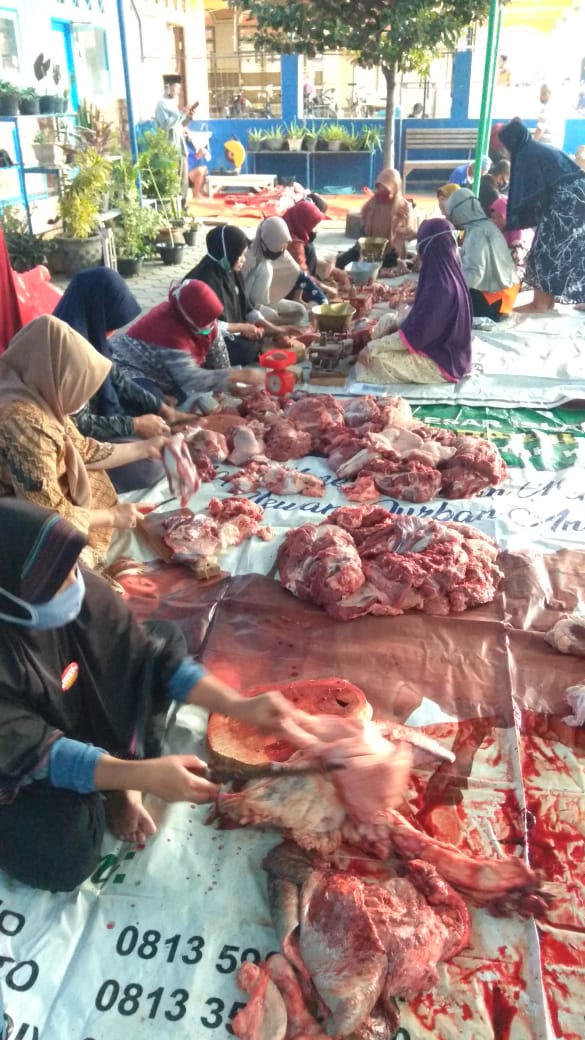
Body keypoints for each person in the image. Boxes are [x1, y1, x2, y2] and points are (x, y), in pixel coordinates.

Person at [0, 499, 317, 891]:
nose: (73, 583)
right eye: (54, 583)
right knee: (66, 854)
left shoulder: (82, 587)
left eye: (72, 565)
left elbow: (147, 658)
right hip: (18, 752)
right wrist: (139, 774)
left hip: (64, 693)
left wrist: (237, 705)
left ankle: (112, 776)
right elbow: (35, 751)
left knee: (166, 641)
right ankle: (103, 780)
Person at [0, 316, 165, 570]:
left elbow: (82, 448)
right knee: (73, 573)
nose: (82, 402)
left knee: (127, 467)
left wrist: (147, 447)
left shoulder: (31, 388)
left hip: (32, 502)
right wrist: (111, 516)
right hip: (17, 519)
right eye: (78, 387)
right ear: (55, 373)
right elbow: (47, 516)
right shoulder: (26, 425)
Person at [53, 269, 191, 493]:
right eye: (112, 322)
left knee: (156, 428)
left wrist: (162, 409)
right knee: (151, 464)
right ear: (98, 310)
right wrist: (134, 425)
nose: (113, 331)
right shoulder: (69, 354)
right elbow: (76, 425)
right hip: (68, 441)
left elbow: (117, 380)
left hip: (96, 419)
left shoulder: (90, 335)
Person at [354, 218, 472, 385]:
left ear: (428, 248)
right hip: (441, 345)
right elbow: (422, 318)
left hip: (442, 361)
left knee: (370, 364)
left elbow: (419, 332)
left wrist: (373, 347)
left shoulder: (441, 287)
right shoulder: (446, 272)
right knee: (388, 321)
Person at [110, 279, 262, 408]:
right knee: (148, 402)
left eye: (213, 320)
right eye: (207, 323)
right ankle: (163, 399)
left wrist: (229, 387)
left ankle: (171, 398)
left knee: (196, 398)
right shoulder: (167, 328)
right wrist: (235, 375)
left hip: (167, 373)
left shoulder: (205, 321)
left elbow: (219, 359)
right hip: (130, 367)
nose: (211, 326)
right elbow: (191, 378)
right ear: (188, 318)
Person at [499, 117, 585, 311]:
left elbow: (528, 196)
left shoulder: (525, 154)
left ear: (512, 142)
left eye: (505, 147)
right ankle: (555, 300)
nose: (504, 152)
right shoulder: (538, 147)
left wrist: (510, 223)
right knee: (573, 248)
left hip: (567, 202)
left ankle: (541, 303)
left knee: (544, 249)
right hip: (579, 198)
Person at [184, 225, 289, 363]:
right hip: (204, 337)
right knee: (244, 350)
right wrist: (242, 328)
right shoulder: (201, 282)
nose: (243, 260)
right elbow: (205, 328)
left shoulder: (230, 269)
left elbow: (246, 308)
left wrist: (275, 329)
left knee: (256, 337)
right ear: (228, 253)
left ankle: (263, 338)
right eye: (241, 255)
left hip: (232, 331)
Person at [444, 187, 519, 320]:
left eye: (450, 215)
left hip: (496, 301)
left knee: (445, 302)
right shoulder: (485, 226)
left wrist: (448, 290)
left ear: (459, 212)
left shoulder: (477, 233)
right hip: (506, 294)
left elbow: (474, 274)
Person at [336, 168, 417, 271]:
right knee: (342, 262)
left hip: (391, 251)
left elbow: (409, 233)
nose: (381, 192)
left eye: (385, 189)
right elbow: (363, 231)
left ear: (394, 188)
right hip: (368, 249)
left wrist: (401, 233)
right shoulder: (371, 204)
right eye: (379, 188)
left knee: (403, 264)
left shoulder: (404, 207)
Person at [240, 216, 306, 324]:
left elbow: (298, 273)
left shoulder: (280, 251)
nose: (280, 252)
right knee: (271, 315)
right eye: (278, 248)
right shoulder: (248, 257)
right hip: (247, 304)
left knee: (300, 311)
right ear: (268, 243)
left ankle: (272, 326)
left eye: (283, 249)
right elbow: (237, 292)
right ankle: (268, 328)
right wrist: (256, 309)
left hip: (267, 300)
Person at [155, 74, 199, 206]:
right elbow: (166, 124)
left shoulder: (172, 104)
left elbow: (179, 125)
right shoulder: (161, 104)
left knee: (183, 181)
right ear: (168, 87)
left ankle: (182, 208)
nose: (178, 91)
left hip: (180, 148)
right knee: (173, 181)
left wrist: (188, 117)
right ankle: (173, 209)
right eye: (176, 88)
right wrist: (182, 113)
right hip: (170, 149)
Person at [488, 195, 533, 278]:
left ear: (507, 216)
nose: (495, 221)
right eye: (493, 218)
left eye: (499, 217)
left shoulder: (518, 231)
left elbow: (518, 257)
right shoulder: (496, 232)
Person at [534, 84, 565, 150]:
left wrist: (531, 145)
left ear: (548, 94)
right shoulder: (559, 108)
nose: (540, 96)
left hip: (546, 148)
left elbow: (540, 130)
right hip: (556, 148)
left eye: (542, 93)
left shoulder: (546, 109)